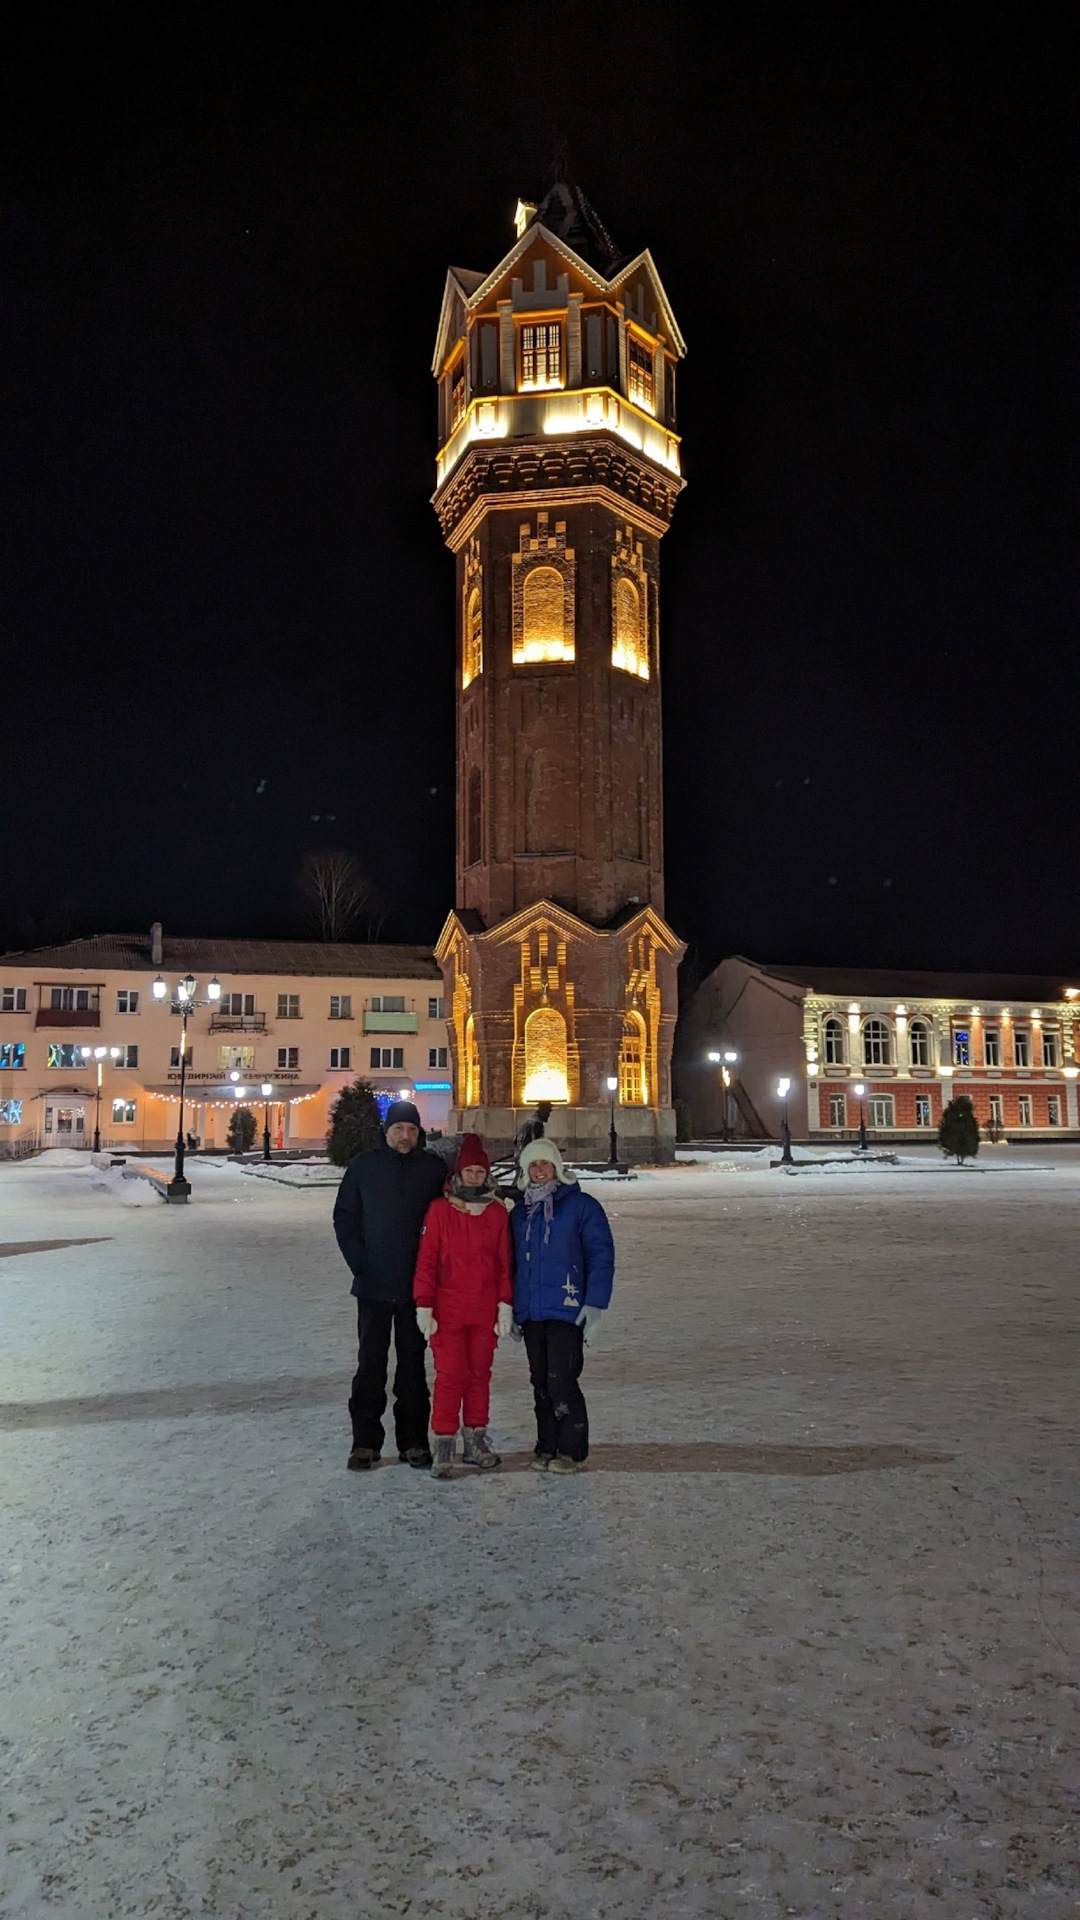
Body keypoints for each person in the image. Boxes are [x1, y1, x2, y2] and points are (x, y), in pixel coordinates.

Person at [332, 1098, 446, 1471]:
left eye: (412, 1129)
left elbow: (448, 1217)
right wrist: (360, 1263)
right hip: (374, 1286)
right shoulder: (364, 1168)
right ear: (387, 1132)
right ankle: (365, 1442)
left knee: (412, 1367)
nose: (405, 1135)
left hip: (418, 1288)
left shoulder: (432, 1169)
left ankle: (413, 1441)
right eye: (399, 1129)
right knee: (371, 1365)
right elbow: (345, 1218)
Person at [510, 1137, 615, 1474]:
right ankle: (547, 1445)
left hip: (566, 1308)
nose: (539, 1171)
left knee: (561, 1379)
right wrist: (512, 1307)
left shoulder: (582, 1206)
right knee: (539, 1380)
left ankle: (570, 1449)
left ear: (557, 1166)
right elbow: (511, 1262)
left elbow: (600, 1255)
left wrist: (595, 1303)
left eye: (544, 1163)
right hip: (532, 1310)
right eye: (533, 1165)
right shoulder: (520, 1214)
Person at [412, 1133, 514, 1478]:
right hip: (448, 1309)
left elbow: (504, 1263)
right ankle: (444, 1439)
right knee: (450, 1375)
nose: (474, 1176)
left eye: (479, 1172)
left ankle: (475, 1437)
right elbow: (426, 1261)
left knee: (479, 1376)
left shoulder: (497, 1213)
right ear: (458, 1173)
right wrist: (424, 1303)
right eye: (469, 1170)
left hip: (484, 1310)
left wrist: (505, 1303)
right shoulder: (440, 1210)